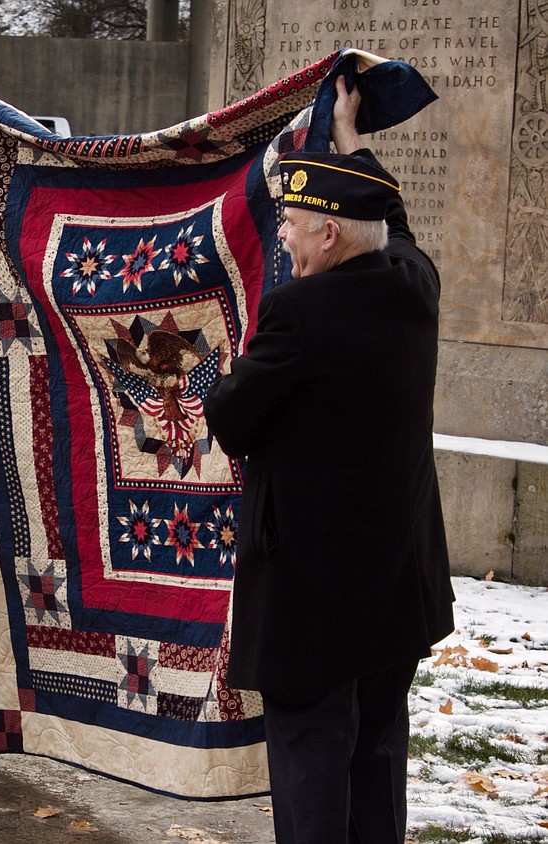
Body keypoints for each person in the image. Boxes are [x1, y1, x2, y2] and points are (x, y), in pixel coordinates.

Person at [203, 77, 454, 843]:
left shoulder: (296, 316)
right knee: (377, 753)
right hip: (396, 583)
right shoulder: (414, 284)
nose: (283, 238)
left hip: (313, 600)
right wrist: (349, 137)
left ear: (330, 238)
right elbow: (397, 221)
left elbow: (230, 423)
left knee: (312, 766)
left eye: (294, 226)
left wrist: (221, 371)